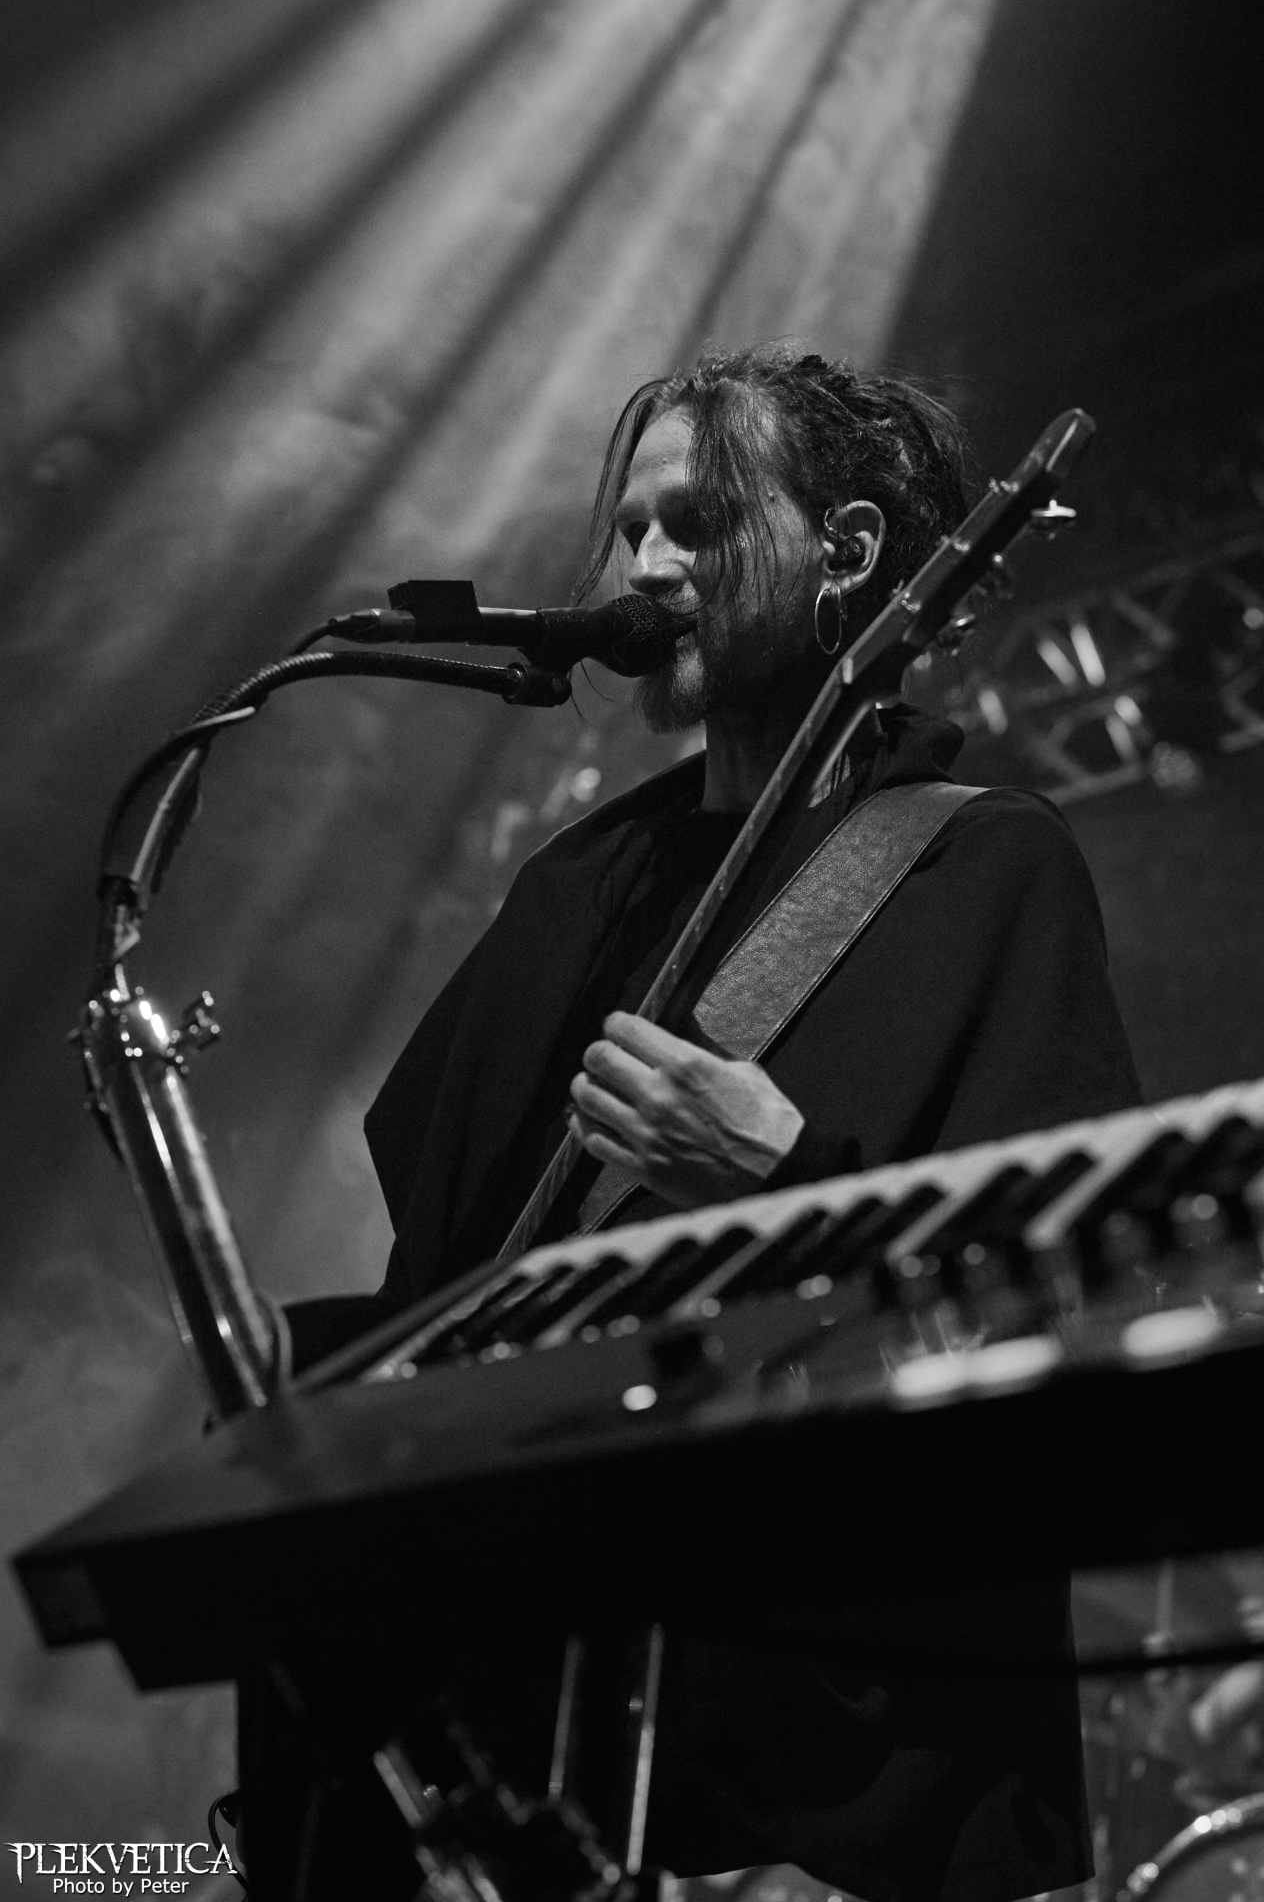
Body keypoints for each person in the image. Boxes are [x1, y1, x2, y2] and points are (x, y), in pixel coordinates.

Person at [255, 344, 1141, 1902]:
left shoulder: (979, 869)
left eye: (698, 526)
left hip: (825, 1784)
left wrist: (785, 1182)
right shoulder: (572, 891)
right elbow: (441, 1287)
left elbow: (1075, 1323)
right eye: (631, 529)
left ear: (846, 555)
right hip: (528, 1749)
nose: (644, 568)